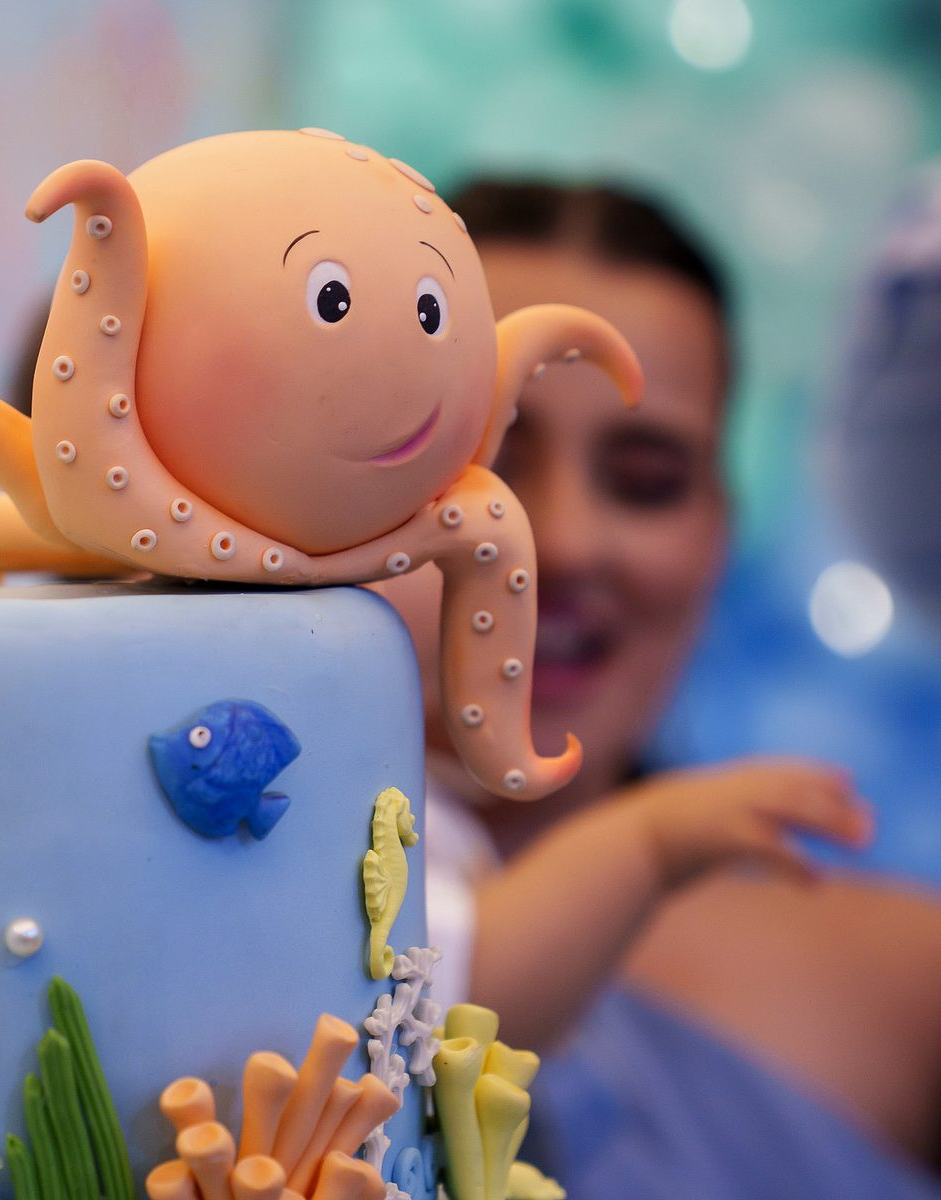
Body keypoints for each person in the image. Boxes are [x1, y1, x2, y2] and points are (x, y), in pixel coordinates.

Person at [377, 179, 941, 1197]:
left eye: (647, 481)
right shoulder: (188, 939)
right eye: (482, 464)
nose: (562, 543)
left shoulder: (906, 986)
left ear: (720, 535)